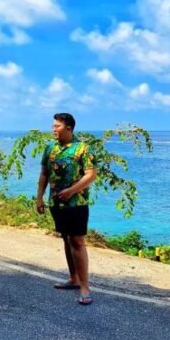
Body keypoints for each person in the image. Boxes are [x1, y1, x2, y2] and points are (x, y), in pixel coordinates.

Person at [36, 112, 97, 305]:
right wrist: (39, 198)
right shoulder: (50, 148)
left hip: (76, 203)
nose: (53, 129)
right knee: (65, 238)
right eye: (53, 126)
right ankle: (74, 279)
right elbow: (44, 174)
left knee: (77, 241)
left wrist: (71, 191)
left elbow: (91, 175)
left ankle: (85, 287)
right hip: (56, 203)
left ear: (68, 128)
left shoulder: (82, 149)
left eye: (57, 126)